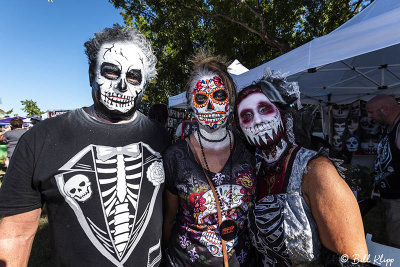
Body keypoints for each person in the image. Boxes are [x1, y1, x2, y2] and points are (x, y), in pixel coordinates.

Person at [0, 25, 169, 266]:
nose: (122, 86)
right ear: (92, 74)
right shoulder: (41, 139)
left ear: (144, 85)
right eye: (111, 72)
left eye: (133, 76)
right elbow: (16, 234)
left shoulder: (161, 138)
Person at [235, 70, 368, 266]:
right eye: (246, 116)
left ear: (281, 113)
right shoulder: (255, 173)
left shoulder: (317, 171)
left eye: (264, 109)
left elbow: (354, 259)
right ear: (240, 128)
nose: (257, 120)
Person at [163, 53, 256, 266]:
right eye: (202, 99)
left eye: (220, 96)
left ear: (231, 101)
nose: (211, 107)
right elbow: (169, 219)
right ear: (191, 106)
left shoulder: (250, 151)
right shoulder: (175, 156)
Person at [366, 94, 400, 248]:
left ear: (384, 109)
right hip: (390, 198)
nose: (369, 116)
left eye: (371, 112)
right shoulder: (391, 126)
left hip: (398, 200)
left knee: (396, 243)